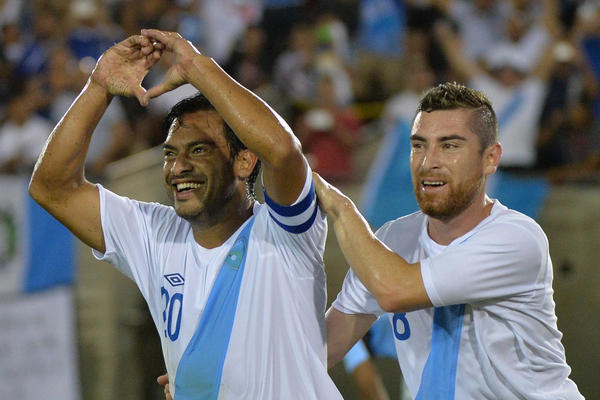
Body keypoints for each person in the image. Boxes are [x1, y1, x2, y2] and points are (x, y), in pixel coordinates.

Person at [28, 30, 342, 399]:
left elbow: (284, 152)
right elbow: (52, 187)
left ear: (243, 160)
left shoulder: (286, 232)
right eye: (169, 154)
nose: (178, 168)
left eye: (198, 150)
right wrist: (99, 86)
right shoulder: (155, 234)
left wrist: (197, 67)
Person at [318, 82, 584, 399]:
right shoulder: (393, 238)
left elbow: (396, 290)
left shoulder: (516, 239)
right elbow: (322, 350)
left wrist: (340, 207)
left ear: (491, 158)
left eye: (450, 146)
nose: (429, 161)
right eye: (419, 145)